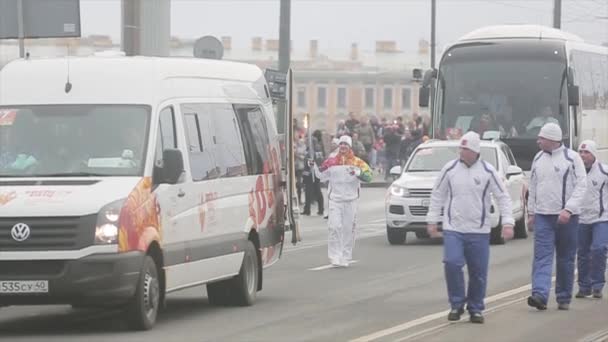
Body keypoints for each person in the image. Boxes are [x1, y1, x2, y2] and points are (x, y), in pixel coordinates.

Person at [426, 131, 514, 324]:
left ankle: (475, 308)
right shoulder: (449, 169)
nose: (462, 152)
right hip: (454, 228)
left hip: (479, 230)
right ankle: (456, 304)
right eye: (461, 148)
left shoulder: (488, 171)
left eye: (465, 149)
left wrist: (508, 222)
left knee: (478, 272)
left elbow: (503, 197)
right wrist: (432, 221)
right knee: (451, 263)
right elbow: (437, 195)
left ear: (474, 151)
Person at [527, 123, 586, 311]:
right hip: (544, 216)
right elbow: (533, 186)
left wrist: (569, 209)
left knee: (565, 258)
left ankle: (563, 296)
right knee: (542, 256)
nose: (538, 141)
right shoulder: (538, 158)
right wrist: (531, 212)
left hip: (567, 218)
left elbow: (581, 186)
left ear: (552, 139)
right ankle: (540, 294)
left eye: (541, 138)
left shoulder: (572, 158)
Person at [313, 135, 372, 267]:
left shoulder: (357, 162)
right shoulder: (331, 161)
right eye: (341, 144)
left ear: (350, 147)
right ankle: (334, 256)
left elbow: (369, 176)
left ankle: (345, 256)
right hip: (335, 200)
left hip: (351, 201)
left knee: (348, 230)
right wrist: (314, 166)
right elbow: (321, 176)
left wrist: (358, 174)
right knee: (334, 227)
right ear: (339, 146)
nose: (343, 146)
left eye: (346, 144)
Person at [575, 140, 608, 299]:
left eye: (586, 152)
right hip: (581, 219)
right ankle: (584, 287)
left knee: (599, 248)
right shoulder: (574, 171)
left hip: (601, 218)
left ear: (593, 154)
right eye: (580, 152)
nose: (582, 156)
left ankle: (597, 284)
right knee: (582, 253)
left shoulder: (604, 171)